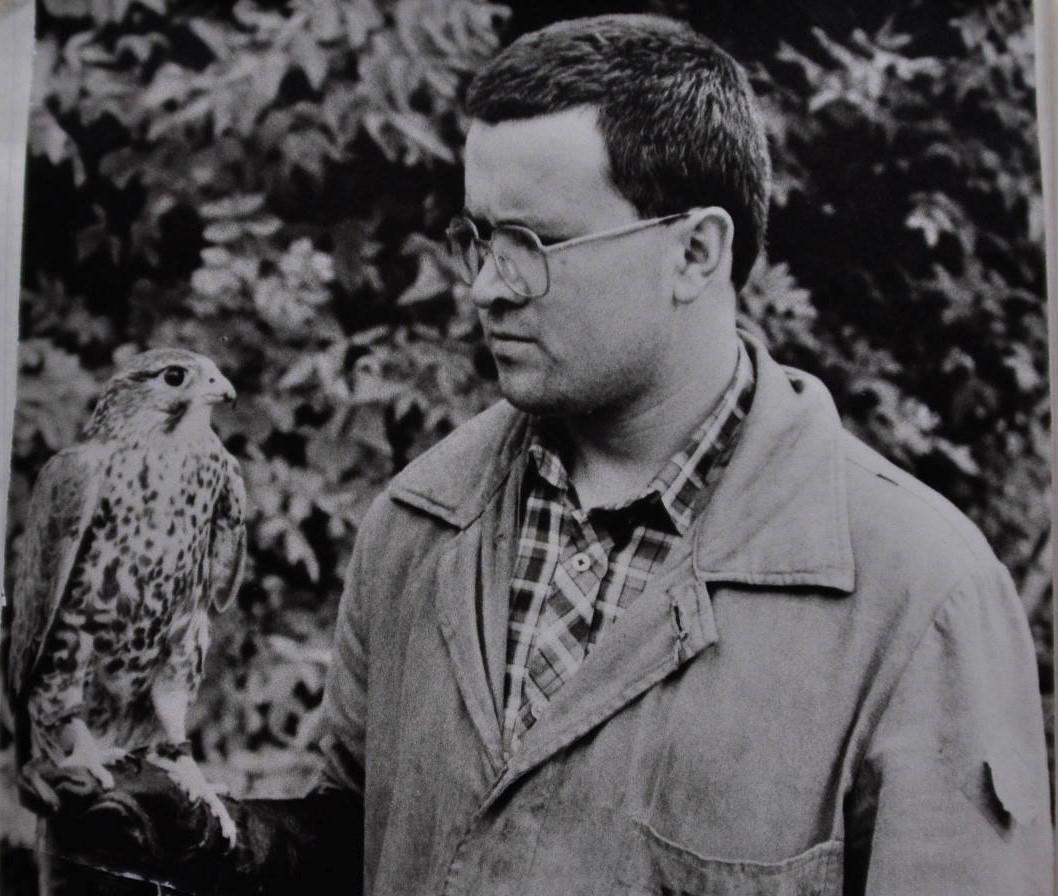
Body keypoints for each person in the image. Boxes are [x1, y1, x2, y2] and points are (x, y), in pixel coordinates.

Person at [26, 12, 1053, 896]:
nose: (486, 285)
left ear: (696, 252)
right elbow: (371, 839)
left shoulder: (920, 594)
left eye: (533, 244)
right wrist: (225, 848)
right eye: (477, 238)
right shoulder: (416, 522)